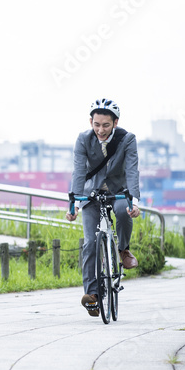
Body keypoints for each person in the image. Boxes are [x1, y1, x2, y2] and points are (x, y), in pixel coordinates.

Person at [66, 98, 141, 317]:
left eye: (106, 125)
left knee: (122, 211)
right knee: (90, 242)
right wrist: (74, 204)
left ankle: (123, 249)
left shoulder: (127, 139)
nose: (100, 129)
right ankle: (92, 296)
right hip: (92, 192)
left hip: (119, 189)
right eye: (96, 124)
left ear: (115, 123)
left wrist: (134, 201)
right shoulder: (83, 140)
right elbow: (78, 172)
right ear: (91, 122)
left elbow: (132, 170)